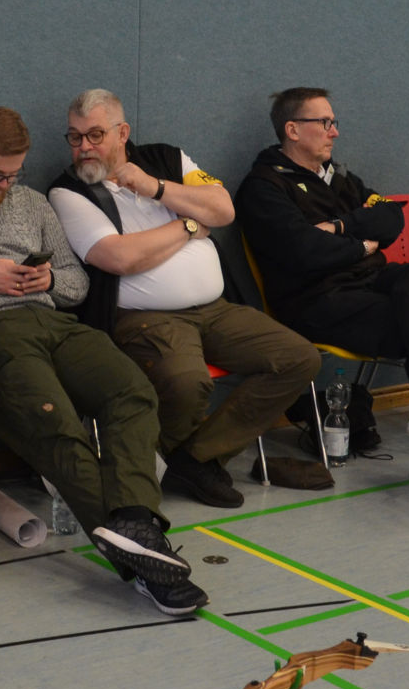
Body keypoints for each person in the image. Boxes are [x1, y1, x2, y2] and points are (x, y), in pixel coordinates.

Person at [0, 106, 207, 616]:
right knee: (56, 425)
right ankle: (148, 565)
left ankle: (135, 522)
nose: (3, 186)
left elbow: (77, 284)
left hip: (50, 322)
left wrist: (50, 279)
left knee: (131, 390)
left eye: (13, 175)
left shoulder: (33, 203)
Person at [45, 89, 326, 508]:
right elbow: (120, 257)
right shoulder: (67, 192)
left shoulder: (168, 159)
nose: (84, 146)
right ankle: (191, 464)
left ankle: (193, 459)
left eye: (95, 135)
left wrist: (156, 188)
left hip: (216, 309)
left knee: (299, 358)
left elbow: (223, 209)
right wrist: (190, 226)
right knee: (187, 383)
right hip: (145, 317)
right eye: (75, 137)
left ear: (122, 133)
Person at [235, 88, 409, 505]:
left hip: (370, 284)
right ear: (293, 130)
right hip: (316, 301)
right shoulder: (264, 188)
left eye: (333, 122)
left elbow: (391, 216)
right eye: (324, 123)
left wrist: (340, 229)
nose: (334, 132)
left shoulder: (340, 178)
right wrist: (362, 244)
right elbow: (304, 252)